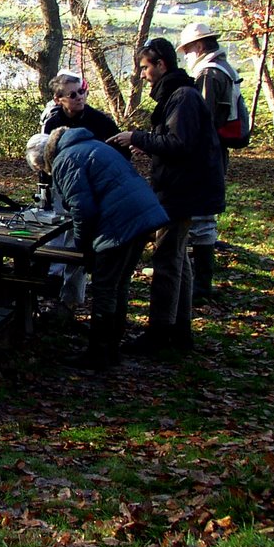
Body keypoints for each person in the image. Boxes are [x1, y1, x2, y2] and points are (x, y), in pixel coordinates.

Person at [109, 38, 225, 355]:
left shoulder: (183, 97)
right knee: (177, 259)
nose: (143, 75)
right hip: (181, 188)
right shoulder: (178, 95)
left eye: (146, 67)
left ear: (161, 64)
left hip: (182, 191)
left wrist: (138, 137)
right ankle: (180, 331)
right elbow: (172, 140)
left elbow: (179, 144)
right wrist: (147, 142)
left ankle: (159, 333)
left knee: (167, 258)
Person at [42, 126, 169, 370]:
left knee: (104, 288)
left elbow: (82, 209)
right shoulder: (96, 146)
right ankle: (111, 348)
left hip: (120, 223)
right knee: (119, 284)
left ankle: (98, 353)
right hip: (144, 216)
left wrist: (83, 248)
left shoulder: (66, 159)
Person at [37, 70, 129, 314]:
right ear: (58, 99)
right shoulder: (52, 121)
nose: (79, 97)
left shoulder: (101, 122)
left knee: (80, 239)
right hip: (61, 187)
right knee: (56, 235)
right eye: (72, 94)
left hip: (94, 191)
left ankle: (71, 299)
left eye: (82, 91)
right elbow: (45, 157)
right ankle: (50, 286)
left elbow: (122, 155)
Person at [177, 22, 238, 301]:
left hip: (206, 154)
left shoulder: (208, 74)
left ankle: (201, 284)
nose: (186, 55)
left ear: (199, 47)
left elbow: (203, 118)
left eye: (187, 50)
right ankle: (201, 279)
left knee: (202, 218)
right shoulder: (224, 69)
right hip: (214, 151)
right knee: (204, 216)